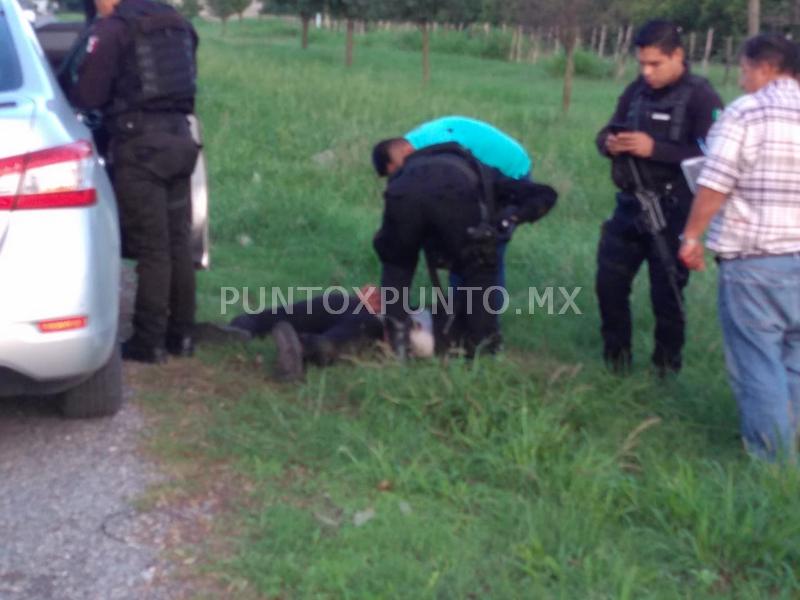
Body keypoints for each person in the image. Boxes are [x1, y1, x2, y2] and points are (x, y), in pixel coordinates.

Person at [679, 34, 800, 461]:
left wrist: (692, 235)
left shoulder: (746, 114)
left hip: (757, 261)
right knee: (794, 361)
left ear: (766, 68)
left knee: (758, 363)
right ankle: (792, 451)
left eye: (746, 70)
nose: (743, 79)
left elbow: (716, 181)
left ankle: (773, 465)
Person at [70, 0, 199, 364]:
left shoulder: (116, 29)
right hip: (181, 141)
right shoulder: (179, 24)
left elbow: (88, 96)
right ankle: (182, 336)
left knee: (153, 249)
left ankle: (148, 341)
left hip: (140, 148)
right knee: (178, 244)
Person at [594, 20, 723, 374]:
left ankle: (666, 370)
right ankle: (615, 362)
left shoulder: (702, 96)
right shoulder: (636, 91)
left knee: (666, 294)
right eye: (642, 64)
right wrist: (610, 143)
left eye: (655, 64)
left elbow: (716, 159)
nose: (646, 72)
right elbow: (607, 130)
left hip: (674, 210)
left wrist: (657, 149)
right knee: (609, 284)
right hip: (630, 205)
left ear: (677, 56)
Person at [374, 142, 557, 357]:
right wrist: (510, 219)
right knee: (481, 263)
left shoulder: (403, 178)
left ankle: (397, 347)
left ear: (407, 153)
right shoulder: (481, 173)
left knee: (396, 265)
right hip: (457, 194)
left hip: (402, 199)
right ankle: (483, 347)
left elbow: (389, 250)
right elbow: (546, 194)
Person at [202, 285, 437, 381]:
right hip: (392, 312)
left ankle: (305, 349)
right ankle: (245, 326)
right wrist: (386, 299)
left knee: (361, 327)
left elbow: (430, 342)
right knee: (338, 302)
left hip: (394, 330)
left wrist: (406, 330)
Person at [371, 115, 532, 180]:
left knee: (489, 234)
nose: (404, 174)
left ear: (406, 152)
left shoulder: (438, 147)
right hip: (488, 167)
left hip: (512, 170)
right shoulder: (415, 141)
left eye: (400, 169)